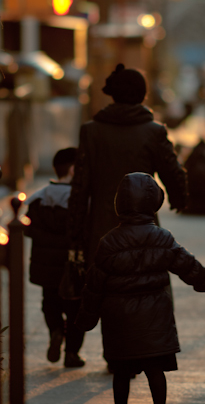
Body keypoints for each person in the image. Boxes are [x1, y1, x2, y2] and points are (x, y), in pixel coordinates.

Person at [78, 173, 205, 404]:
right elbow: (186, 265)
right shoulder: (162, 237)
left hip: (120, 319)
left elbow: (94, 284)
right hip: (155, 316)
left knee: (121, 371)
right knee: (155, 370)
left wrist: (86, 319)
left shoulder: (109, 242)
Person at [69, 63, 189, 267]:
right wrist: (179, 198)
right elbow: (171, 171)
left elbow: (80, 187)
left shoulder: (91, 132)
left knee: (102, 288)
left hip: (101, 227)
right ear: (142, 95)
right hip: (143, 227)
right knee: (145, 282)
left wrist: (75, 232)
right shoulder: (154, 132)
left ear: (113, 95)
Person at [25, 147, 86, 368]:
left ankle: (55, 330)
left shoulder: (39, 197)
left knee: (49, 302)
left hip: (45, 266)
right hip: (72, 265)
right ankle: (72, 353)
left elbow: (28, 228)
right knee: (76, 309)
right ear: (72, 169)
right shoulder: (79, 200)